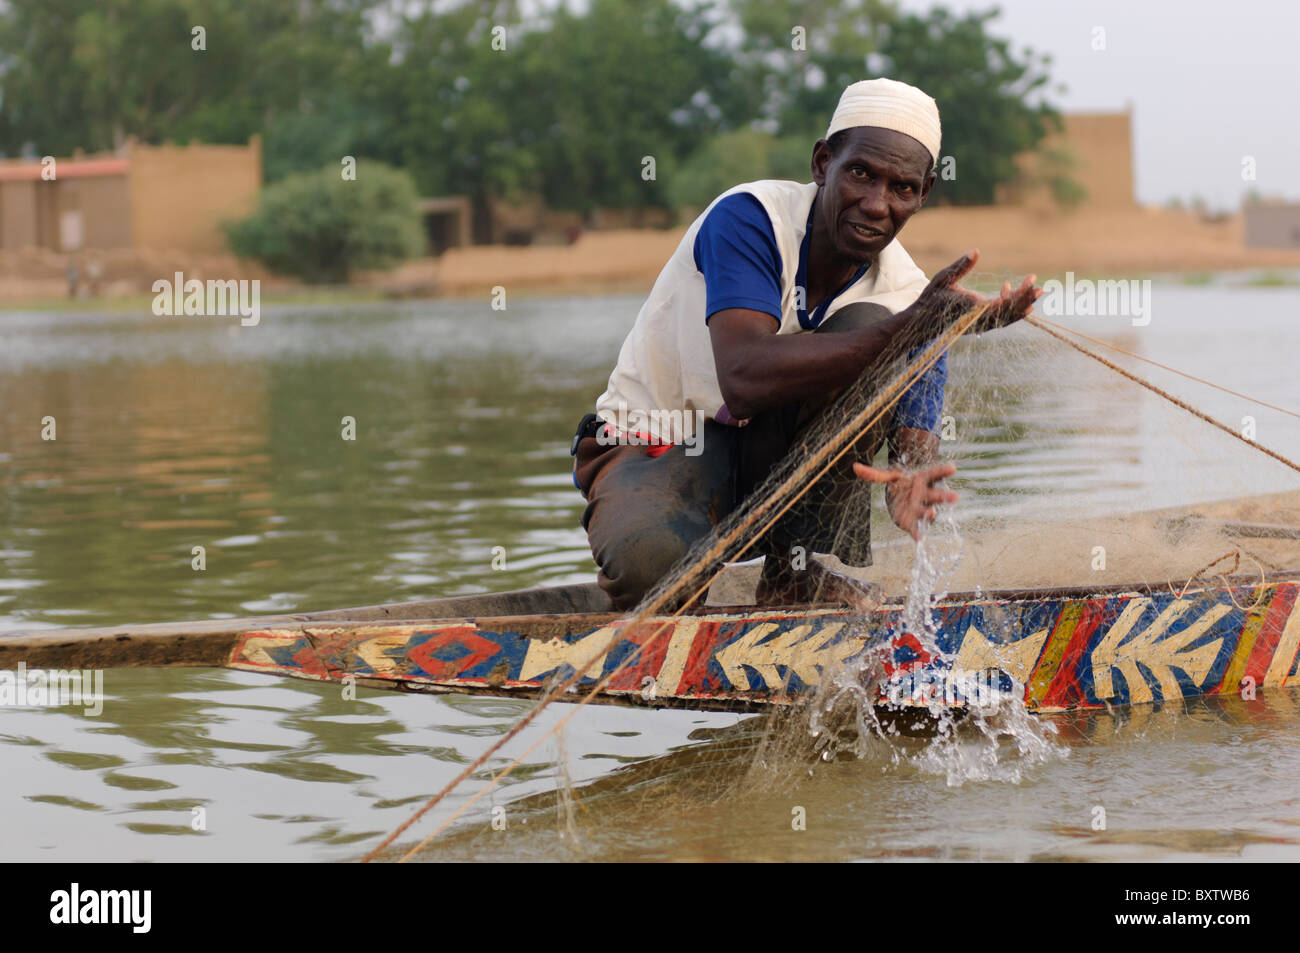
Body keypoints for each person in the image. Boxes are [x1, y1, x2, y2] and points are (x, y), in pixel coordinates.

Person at [571, 78, 1041, 610]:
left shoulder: (905, 292)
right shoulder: (751, 219)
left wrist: (908, 474)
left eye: (902, 189)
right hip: (657, 440)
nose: (875, 204)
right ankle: (681, 561)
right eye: (860, 174)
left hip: (765, 465)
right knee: (655, 574)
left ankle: (791, 571)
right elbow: (743, 378)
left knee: (869, 321)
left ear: (922, 195)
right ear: (823, 164)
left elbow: (915, 418)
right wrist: (909, 326)